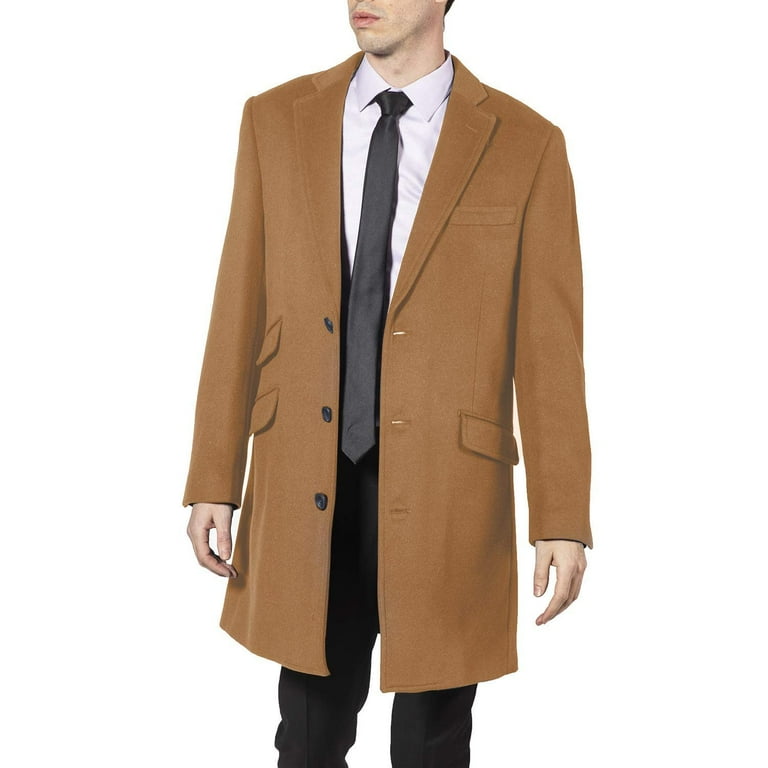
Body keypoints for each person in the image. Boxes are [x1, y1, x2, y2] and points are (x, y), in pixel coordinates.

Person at [183, 1, 593, 765]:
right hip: (310, 480)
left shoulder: (527, 143)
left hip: (449, 490)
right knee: (307, 739)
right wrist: (214, 477)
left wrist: (561, 517)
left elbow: (549, 352)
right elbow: (239, 303)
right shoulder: (275, 119)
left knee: (432, 745)